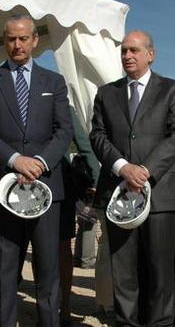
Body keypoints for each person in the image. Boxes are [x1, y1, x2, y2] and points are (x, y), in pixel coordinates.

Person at [0, 14, 73, 326]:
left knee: (48, 269)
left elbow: (64, 130)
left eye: (23, 38)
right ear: (4, 41)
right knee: (4, 269)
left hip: (47, 188)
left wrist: (40, 162)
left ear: (35, 40)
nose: (17, 44)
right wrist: (15, 159)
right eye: (12, 38)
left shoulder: (53, 82)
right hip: (4, 189)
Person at [90, 30, 175, 326]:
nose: (127, 56)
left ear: (151, 54)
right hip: (119, 196)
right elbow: (97, 134)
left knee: (161, 275)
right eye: (124, 51)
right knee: (124, 273)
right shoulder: (107, 93)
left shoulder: (173, 89)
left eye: (134, 50)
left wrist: (144, 171)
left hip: (161, 196)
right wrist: (122, 167)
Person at [59, 106, 100, 326]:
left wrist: (96, 181)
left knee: (62, 246)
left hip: (61, 185)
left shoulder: (62, 104)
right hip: (24, 183)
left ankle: (64, 307)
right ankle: (50, 306)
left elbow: (84, 146)